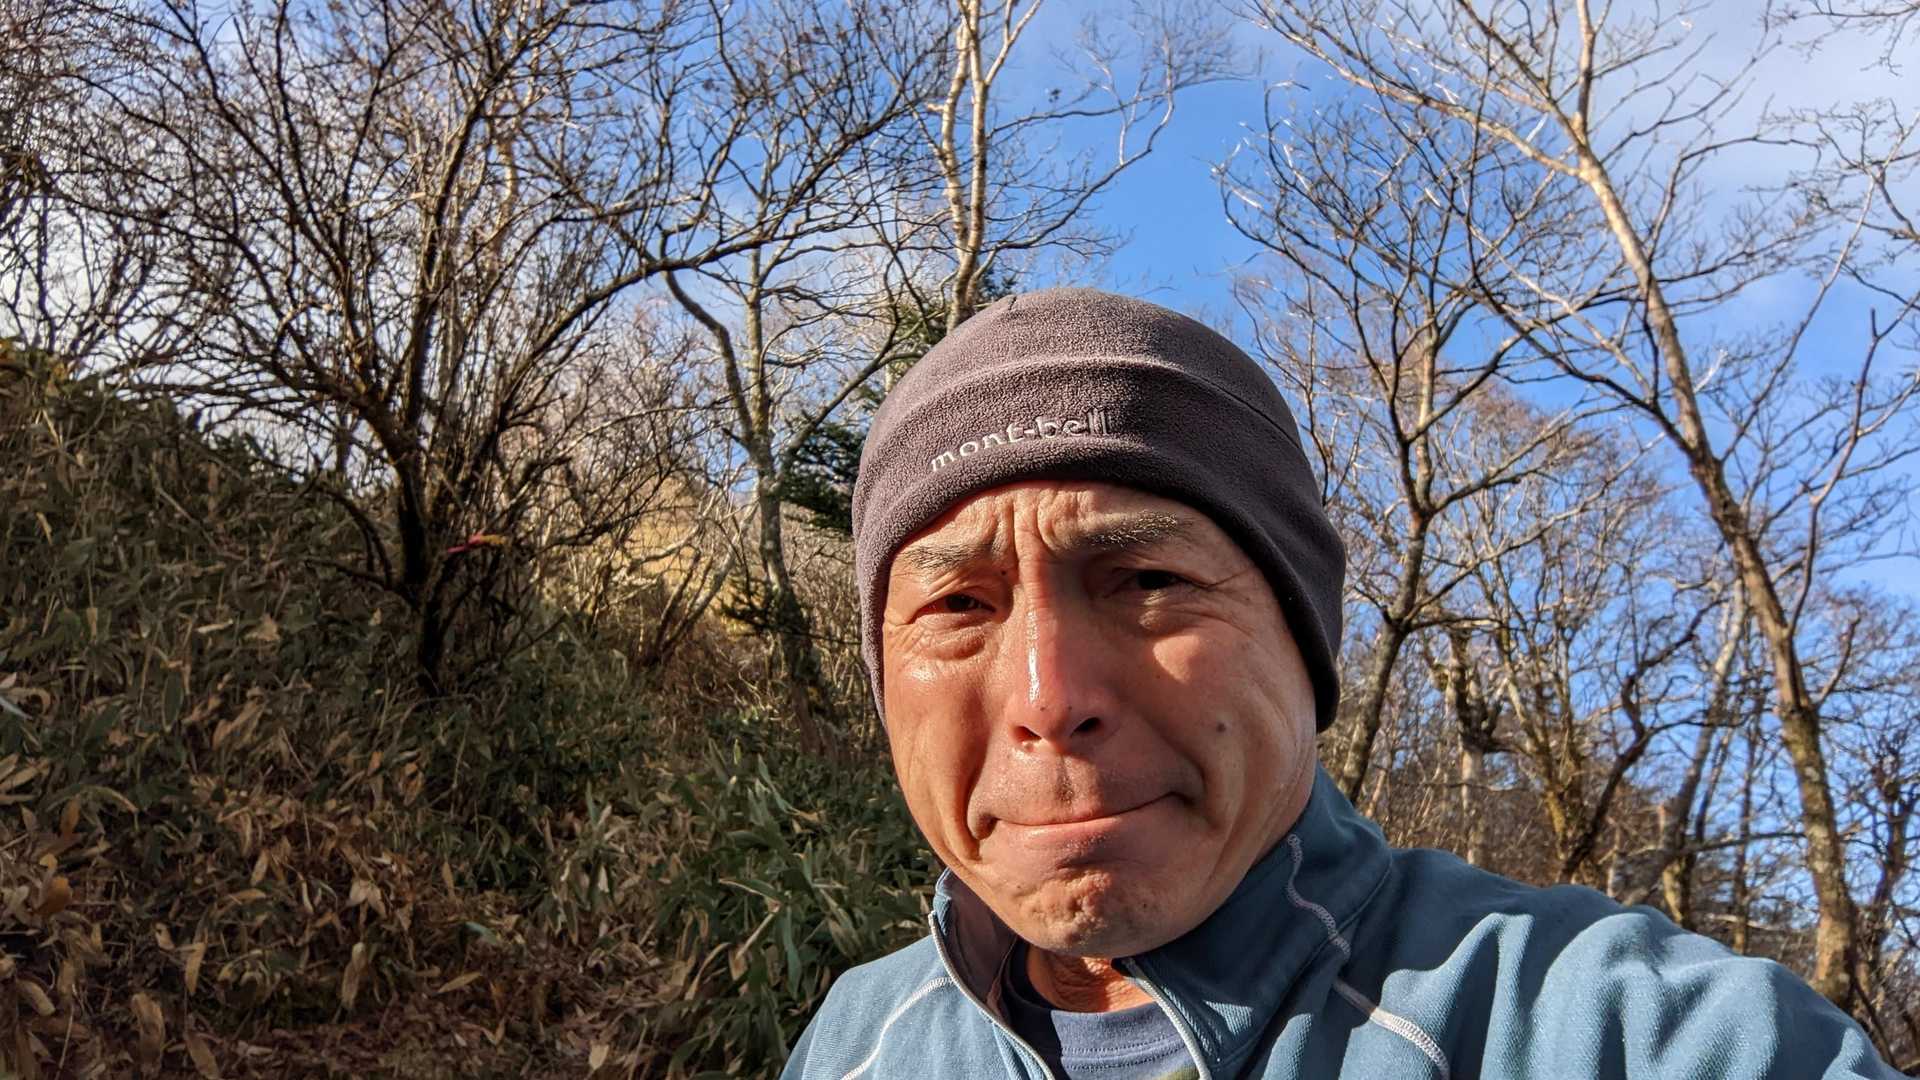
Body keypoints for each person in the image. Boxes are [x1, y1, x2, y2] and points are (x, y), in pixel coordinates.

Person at [779, 288, 1904, 1080]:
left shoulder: (1627, 1032)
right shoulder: (855, 1041)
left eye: (1150, 581)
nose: (1048, 696)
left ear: (1304, 639)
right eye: (957, 606)